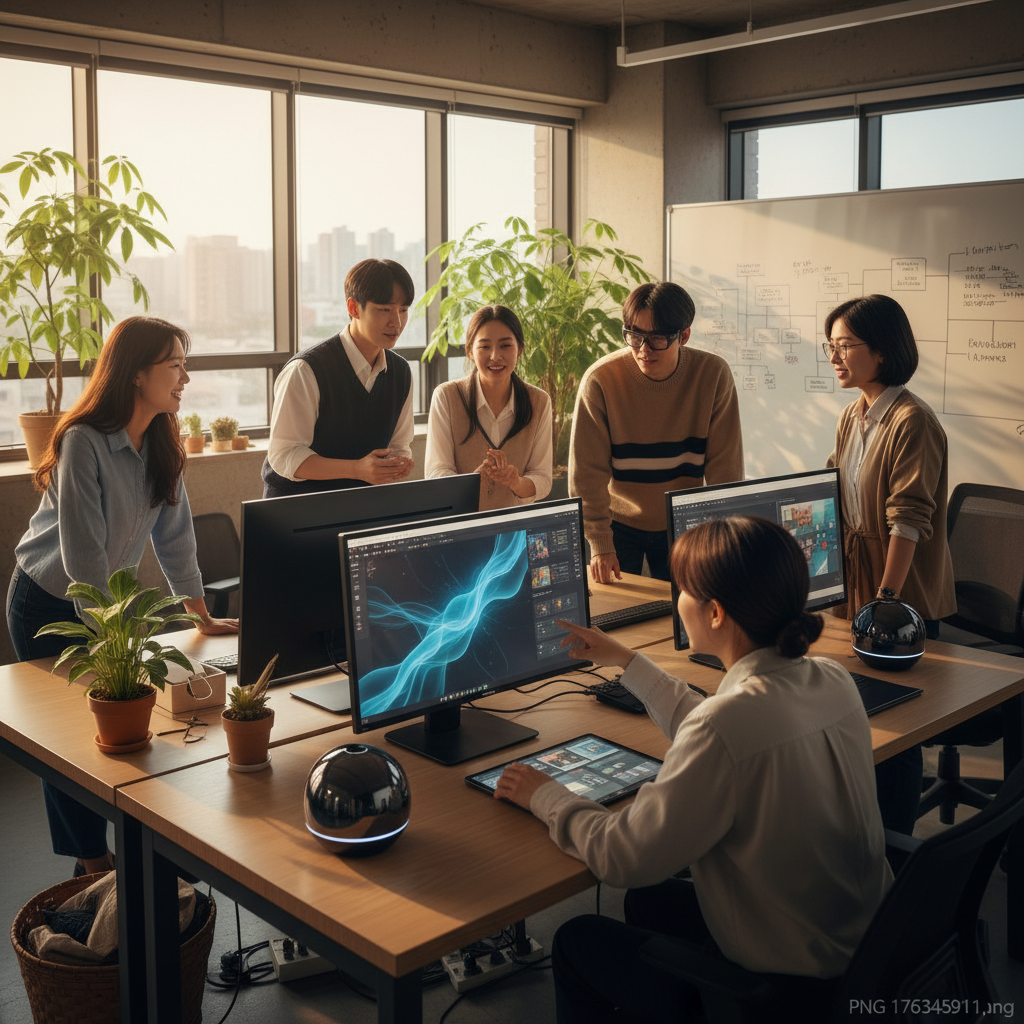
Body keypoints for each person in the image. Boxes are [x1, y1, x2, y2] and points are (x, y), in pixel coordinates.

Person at [495, 516, 892, 1024]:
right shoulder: (829, 678)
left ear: (716, 613)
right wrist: (625, 659)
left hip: (784, 995)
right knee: (649, 904)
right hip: (866, 949)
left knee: (577, 940)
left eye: (683, 589)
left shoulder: (725, 727)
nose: (677, 599)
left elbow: (624, 857)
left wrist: (546, 797)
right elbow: (725, 732)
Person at [7, 315, 238, 877]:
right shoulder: (81, 440)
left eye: (185, 365)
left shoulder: (163, 438)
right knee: (62, 743)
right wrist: (115, 642)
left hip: (106, 607)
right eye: (175, 366)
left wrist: (200, 613)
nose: (185, 378)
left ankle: (127, 853)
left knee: (118, 729)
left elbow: (175, 536)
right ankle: (92, 861)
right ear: (137, 374)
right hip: (48, 602)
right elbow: (83, 557)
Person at [824, 293, 956, 834]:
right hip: (856, 585)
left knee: (898, 732)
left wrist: (885, 603)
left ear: (881, 351)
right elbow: (833, 491)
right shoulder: (853, 415)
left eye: (844, 346)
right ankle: (861, 834)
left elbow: (907, 519)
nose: (834, 357)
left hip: (898, 598)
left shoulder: (912, 420)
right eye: (829, 346)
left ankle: (895, 845)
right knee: (856, 719)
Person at [569, 281, 742, 584]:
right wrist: (599, 542)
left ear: (683, 335)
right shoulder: (601, 380)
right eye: (634, 336)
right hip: (618, 523)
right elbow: (586, 473)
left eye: (658, 337)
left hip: (686, 521)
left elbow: (725, 468)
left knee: (685, 615)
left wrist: (722, 536)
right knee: (620, 619)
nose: (644, 349)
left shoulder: (712, 374)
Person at [261, 258, 416, 498]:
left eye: (403, 310)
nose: (396, 322)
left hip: (359, 508)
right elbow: (284, 455)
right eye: (385, 309)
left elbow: (399, 445)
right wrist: (357, 469)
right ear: (354, 308)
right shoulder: (306, 369)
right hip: (296, 512)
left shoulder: (401, 372)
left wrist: (398, 462)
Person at [425, 304, 552, 510]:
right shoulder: (447, 397)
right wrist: (471, 483)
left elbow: (543, 479)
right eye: (484, 346)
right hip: (461, 526)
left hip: (514, 529)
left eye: (505, 346)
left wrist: (515, 482)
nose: (495, 356)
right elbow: (436, 473)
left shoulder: (538, 402)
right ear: (470, 351)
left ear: (520, 349)